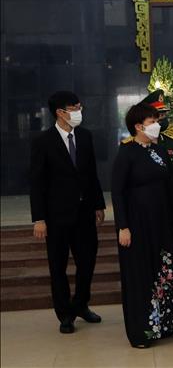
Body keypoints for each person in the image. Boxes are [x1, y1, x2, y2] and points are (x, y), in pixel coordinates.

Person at [111, 103, 173, 348]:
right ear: (138, 126)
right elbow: (118, 193)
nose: (156, 124)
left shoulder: (161, 151)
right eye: (151, 121)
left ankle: (166, 324)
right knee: (140, 276)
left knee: (164, 272)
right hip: (137, 224)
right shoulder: (126, 153)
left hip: (162, 223)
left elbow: (170, 188)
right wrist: (123, 226)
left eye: (156, 119)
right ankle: (141, 332)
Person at [29, 91, 106, 334]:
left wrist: (99, 204)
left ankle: (81, 304)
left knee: (87, 262)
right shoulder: (43, 141)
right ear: (60, 112)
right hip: (56, 216)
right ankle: (65, 314)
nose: (78, 111)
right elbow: (37, 182)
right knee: (58, 266)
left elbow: (92, 173)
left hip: (84, 213)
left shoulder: (85, 136)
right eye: (74, 107)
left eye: (79, 106)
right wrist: (39, 218)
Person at [140, 90, 173, 223]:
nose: (162, 118)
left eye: (164, 114)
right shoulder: (133, 145)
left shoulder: (171, 143)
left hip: (169, 204)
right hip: (145, 207)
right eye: (158, 115)